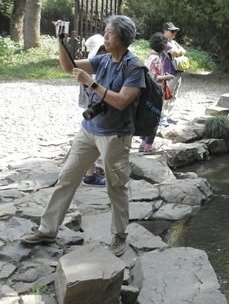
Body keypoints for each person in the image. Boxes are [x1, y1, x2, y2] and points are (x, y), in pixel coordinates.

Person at [21, 15, 145, 257]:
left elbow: (121, 102)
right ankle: (48, 229)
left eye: (109, 33)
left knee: (116, 187)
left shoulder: (134, 66)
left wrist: (92, 84)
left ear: (122, 38)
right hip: (89, 130)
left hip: (116, 137)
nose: (105, 36)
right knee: (67, 176)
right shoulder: (104, 59)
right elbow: (69, 67)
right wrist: (61, 41)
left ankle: (119, 235)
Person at [140, 33, 174, 152]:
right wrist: (167, 77)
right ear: (162, 45)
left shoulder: (149, 56)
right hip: (155, 92)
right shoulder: (156, 59)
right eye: (165, 43)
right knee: (155, 118)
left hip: (147, 91)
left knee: (148, 116)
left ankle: (143, 143)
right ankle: (148, 145)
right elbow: (154, 77)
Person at [81, 34, 107, 186]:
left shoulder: (93, 64)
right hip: (95, 107)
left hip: (94, 105)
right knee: (92, 140)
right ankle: (90, 174)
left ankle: (90, 172)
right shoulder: (95, 65)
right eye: (103, 48)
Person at [161, 22, 186, 125]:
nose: (174, 33)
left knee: (174, 96)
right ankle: (162, 118)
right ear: (165, 31)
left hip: (177, 72)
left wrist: (179, 51)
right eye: (172, 31)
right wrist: (179, 51)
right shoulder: (162, 41)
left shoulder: (174, 42)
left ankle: (170, 116)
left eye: (175, 31)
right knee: (166, 96)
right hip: (168, 73)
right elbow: (173, 52)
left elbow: (184, 51)